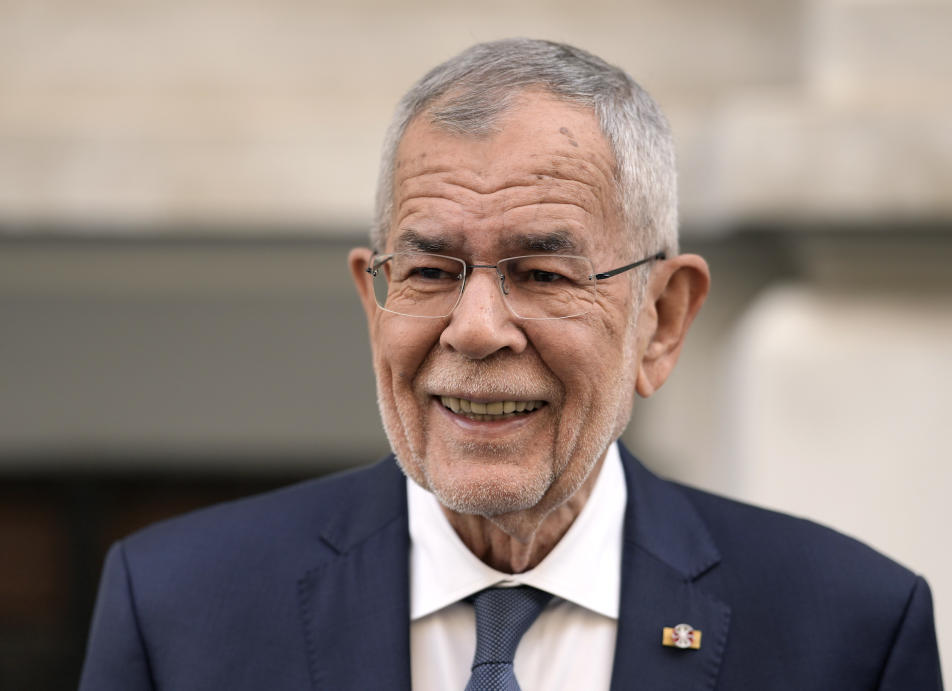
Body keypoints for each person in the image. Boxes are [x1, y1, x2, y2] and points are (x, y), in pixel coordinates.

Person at [79, 39, 943, 690]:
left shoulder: (849, 633)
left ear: (662, 319)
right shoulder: (177, 611)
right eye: (427, 271)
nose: (477, 328)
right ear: (374, 299)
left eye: (541, 272)